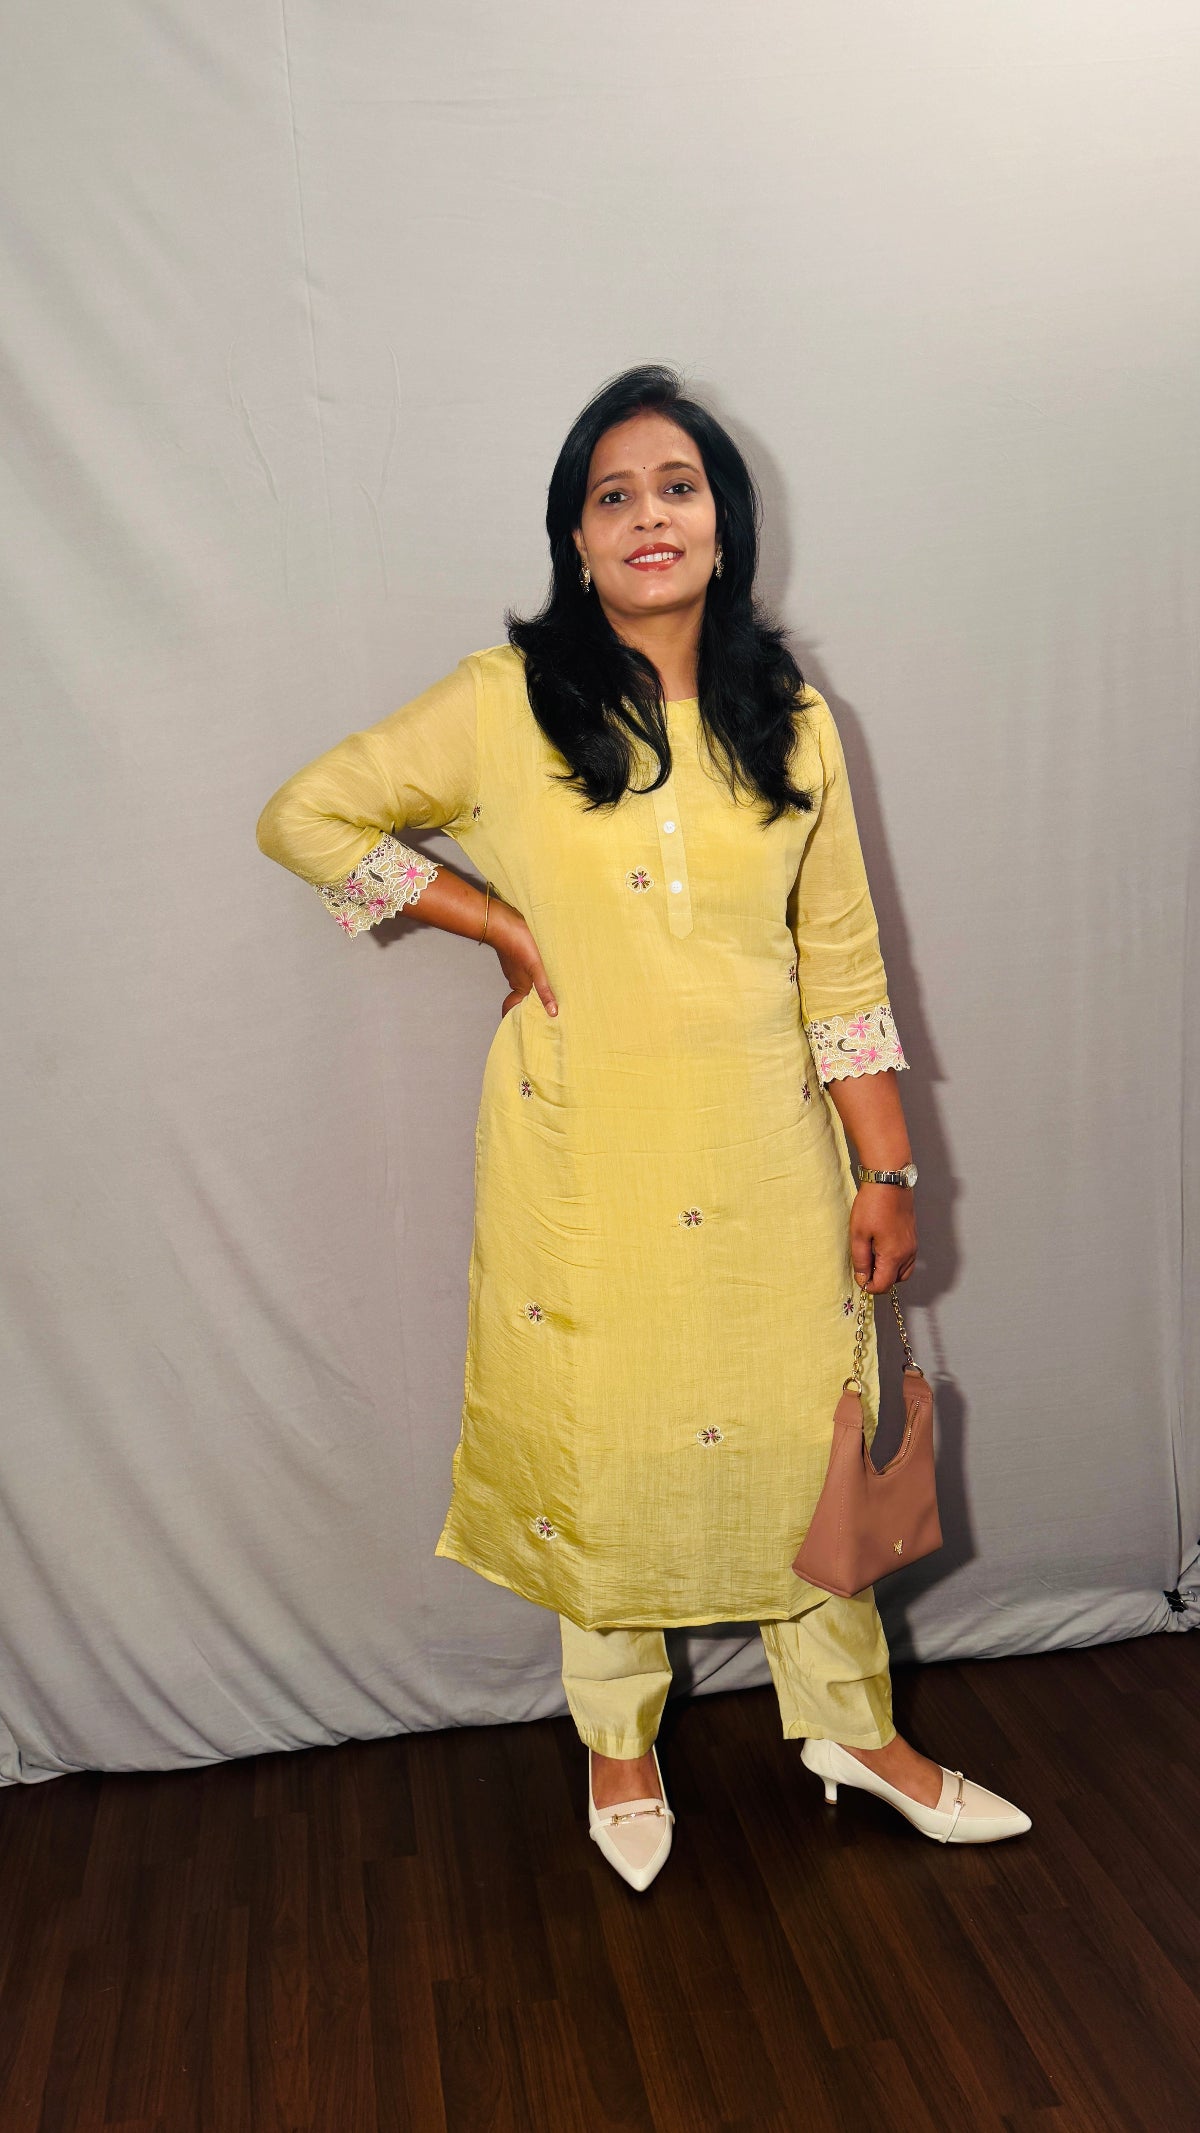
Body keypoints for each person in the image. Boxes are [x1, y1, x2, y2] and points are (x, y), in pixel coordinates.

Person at [256, 363, 1030, 1892]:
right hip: (583, 1152)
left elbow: (846, 968)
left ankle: (853, 1732)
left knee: (811, 1439)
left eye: (676, 487)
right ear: (576, 537)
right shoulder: (503, 702)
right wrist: (489, 917)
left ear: (724, 529)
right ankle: (618, 1743)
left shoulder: (791, 718)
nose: (647, 515)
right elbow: (306, 816)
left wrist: (887, 1168)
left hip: (769, 1151)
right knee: (604, 1444)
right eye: (612, 496)